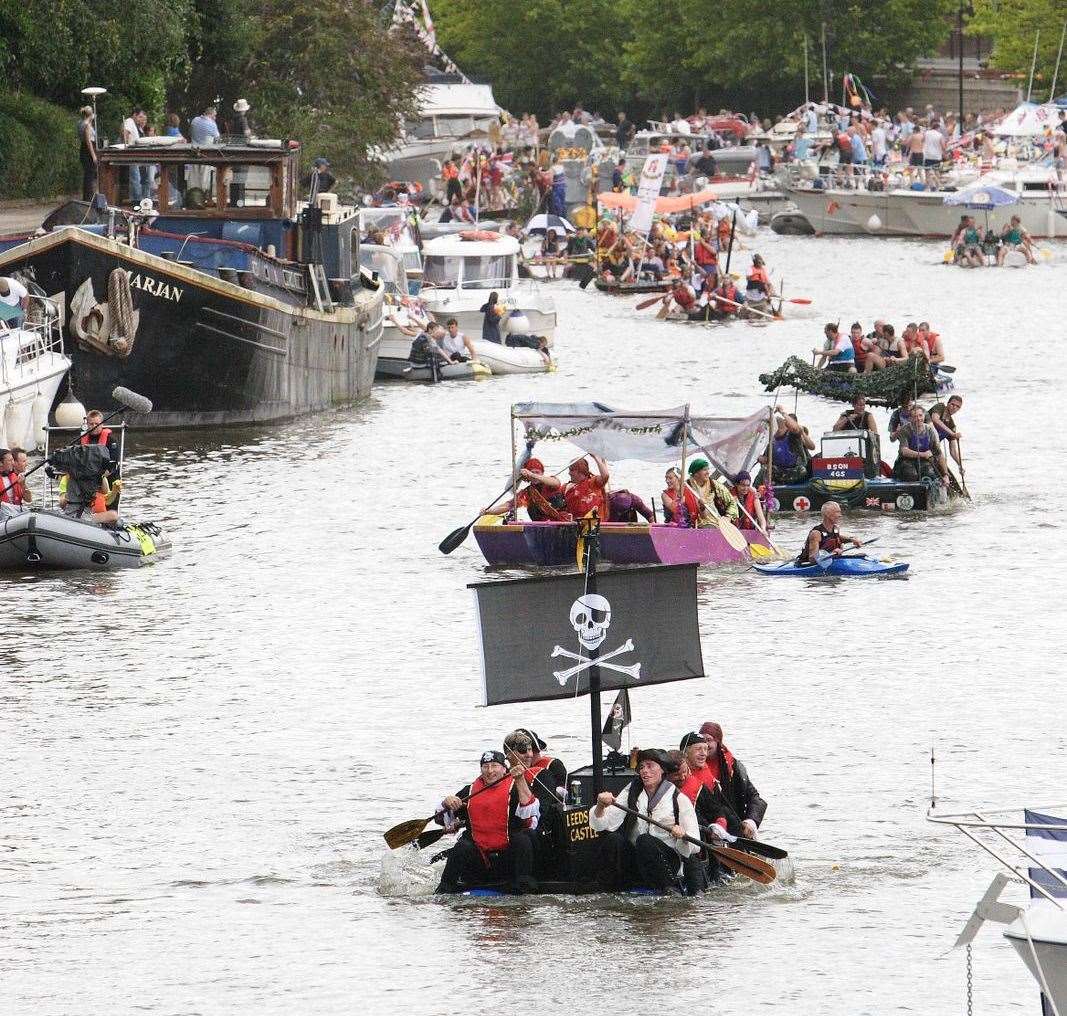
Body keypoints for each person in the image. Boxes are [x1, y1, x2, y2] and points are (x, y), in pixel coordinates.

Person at [590, 748, 700, 893]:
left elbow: (695, 845)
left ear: (661, 770)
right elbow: (603, 824)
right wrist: (600, 806)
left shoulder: (678, 798)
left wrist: (683, 835)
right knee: (614, 839)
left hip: (666, 862)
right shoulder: (632, 791)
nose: (644, 771)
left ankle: (669, 889)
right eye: (641, 767)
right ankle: (612, 889)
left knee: (645, 841)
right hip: (638, 859)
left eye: (650, 766)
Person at [434, 750, 540, 894]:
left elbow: (531, 817)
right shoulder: (470, 790)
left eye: (495, 766)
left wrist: (520, 779)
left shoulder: (516, 786)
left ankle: (524, 886)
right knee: (462, 846)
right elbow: (441, 820)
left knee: (523, 839)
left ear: (504, 768)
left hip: (508, 857)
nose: (490, 771)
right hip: (480, 860)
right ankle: (445, 889)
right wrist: (447, 803)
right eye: (486, 766)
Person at [697, 722, 768, 840]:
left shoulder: (733, 766)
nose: (705, 746)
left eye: (709, 740)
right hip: (707, 825)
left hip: (734, 824)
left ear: (718, 742)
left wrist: (751, 821)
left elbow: (755, 798)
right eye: (702, 741)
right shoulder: (693, 765)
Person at [893, 403, 949, 487]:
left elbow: (939, 453)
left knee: (930, 475)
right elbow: (904, 451)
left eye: (920, 415)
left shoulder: (929, 430)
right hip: (906, 461)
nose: (918, 419)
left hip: (925, 462)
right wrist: (922, 454)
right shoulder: (905, 429)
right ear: (910, 418)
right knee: (911, 474)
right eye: (915, 416)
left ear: (924, 416)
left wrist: (945, 474)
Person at [756, 408, 815, 485]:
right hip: (779, 471)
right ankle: (756, 491)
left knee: (802, 470)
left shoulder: (793, 436)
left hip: (795, 470)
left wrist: (782, 411)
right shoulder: (771, 441)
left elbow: (811, 446)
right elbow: (766, 459)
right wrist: (759, 457)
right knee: (764, 469)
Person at [798, 500, 861, 564]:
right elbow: (812, 559)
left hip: (830, 562)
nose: (840, 515)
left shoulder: (836, 529)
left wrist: (852, 539)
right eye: (837, 512)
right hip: (807, 566)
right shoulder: (816, 534)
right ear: (828, 514)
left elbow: (836, 538)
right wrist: (831, 554)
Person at [686, 458, 740, 525]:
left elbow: (732, 503)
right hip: (692, 524)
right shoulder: (686, 487)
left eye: (708, 469)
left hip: (717, 522)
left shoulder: (714, 485)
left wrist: (728, 517)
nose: (708, 472)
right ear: (696, 473)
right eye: (704, 470)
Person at [562, 454, 609, 519]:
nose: (569, 473)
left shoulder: (593, 482)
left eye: (571, 470)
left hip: (595, 525)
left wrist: (596, 458)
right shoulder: (566, 487)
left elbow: (605, 476)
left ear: (580, 470)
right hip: (576, 524)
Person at [929, 395, 964, 471]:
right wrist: (952, 433)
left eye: (957, 406)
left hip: (933, 451)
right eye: (952, 404)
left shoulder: (951, 425)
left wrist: (960, 465)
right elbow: (935, 419)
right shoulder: (940, 407)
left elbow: (953, 451)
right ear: (948, 403)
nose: (954, 407)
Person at [78, 106, 98, 201]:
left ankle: (88, 196)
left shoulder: (81, 123)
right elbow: (88, 141)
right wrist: (93, 155)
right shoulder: (87, 125)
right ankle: (88, 197)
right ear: (91, 114)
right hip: (88, 150)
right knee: (89, 175)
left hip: (84, 149)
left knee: (88, 174)